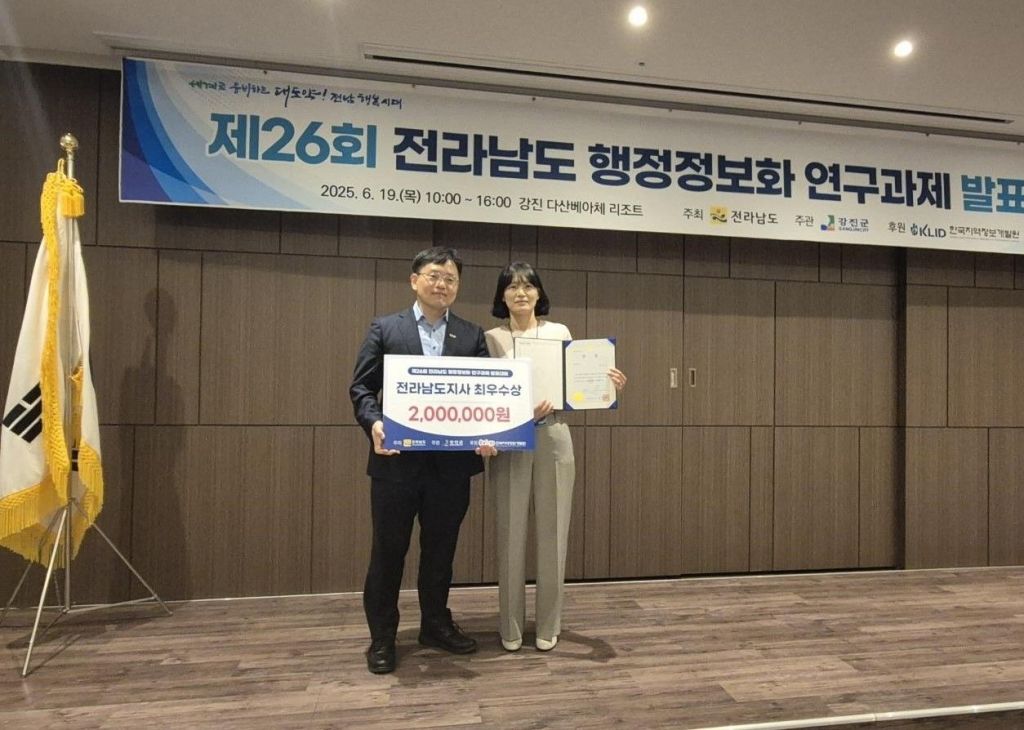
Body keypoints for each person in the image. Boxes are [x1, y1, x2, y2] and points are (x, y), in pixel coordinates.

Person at [350, 246, 497, 675]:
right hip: (396, 464)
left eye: (451, 279)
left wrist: (490, 433)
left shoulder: (471, 336)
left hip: (450, 469)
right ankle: (382, 636)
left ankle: (435, 625)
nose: (442, 285)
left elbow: (487, 397)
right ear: (414, 280)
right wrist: (374, 423)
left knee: (441, 552)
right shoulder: (385, 328)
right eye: (434, 276)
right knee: (388, 552)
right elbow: (361, 389)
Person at [485, 262, 626, 652]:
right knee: (510, 534)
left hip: (554, 434)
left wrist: (608, 387)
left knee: (554, 533)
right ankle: (510, 626)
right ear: (501, 296)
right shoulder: (491, 339)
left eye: (528, 286)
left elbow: (578, 386)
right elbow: (485, 396)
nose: (521, 293)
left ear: (539, 293)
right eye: (512, 286)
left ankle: (549, 624)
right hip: (511, 439)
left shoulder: (559, 333)